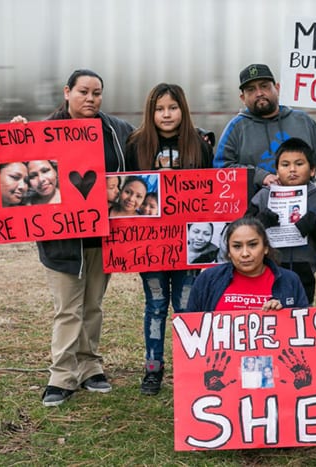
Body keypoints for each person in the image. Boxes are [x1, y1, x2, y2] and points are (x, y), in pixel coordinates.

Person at [12, 69, 135, 407]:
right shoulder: (43, 131)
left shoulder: (117, 130)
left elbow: (144, 157)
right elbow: (17, 170)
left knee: (93, 305)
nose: (91, 98)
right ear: (67, 92)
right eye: (83, 91)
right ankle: (61, 376)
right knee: (68, 309)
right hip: (61, 241)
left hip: (101, 238)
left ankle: (90, 366)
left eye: (97, 93)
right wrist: (14, 138)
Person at [124, 82, 213, 395]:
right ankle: (153, 368)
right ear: (151, 112)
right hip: (150, 245)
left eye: (172, 108)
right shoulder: (135, 144)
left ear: (183, 109)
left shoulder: (198, 144)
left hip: (189, 245)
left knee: (187, 307)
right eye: (160, 109)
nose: (166, 114)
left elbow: (210, 194)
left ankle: (190, 369)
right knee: (156, 305)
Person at [214, 63, 316, 190]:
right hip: (255, 213)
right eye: (251, 90)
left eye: (264, 86)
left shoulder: (302, 120)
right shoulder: (236, 128)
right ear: (243, 98)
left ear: (277, 88)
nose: (259, 93)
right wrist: (259, 176)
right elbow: (220, 169)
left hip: (304, 210)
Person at [246, 137, 316, 303]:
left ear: (312, 170)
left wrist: (315, 226)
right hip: (266, 267)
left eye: (299, 164)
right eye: (285, 165)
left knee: (300, 315)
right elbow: (243, 230)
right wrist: (261, 221)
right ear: (276, 170)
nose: (292, 170)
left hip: (304, 269)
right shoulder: (263, 195)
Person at [186, 217, 308, 312]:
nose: (245, 253)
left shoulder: (290, 281)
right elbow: (191, 326)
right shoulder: (207, 279)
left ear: (265, 247)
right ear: (229, 252)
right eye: (237, 246)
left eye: (253, 245)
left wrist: (282, 315)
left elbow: (303, 329)